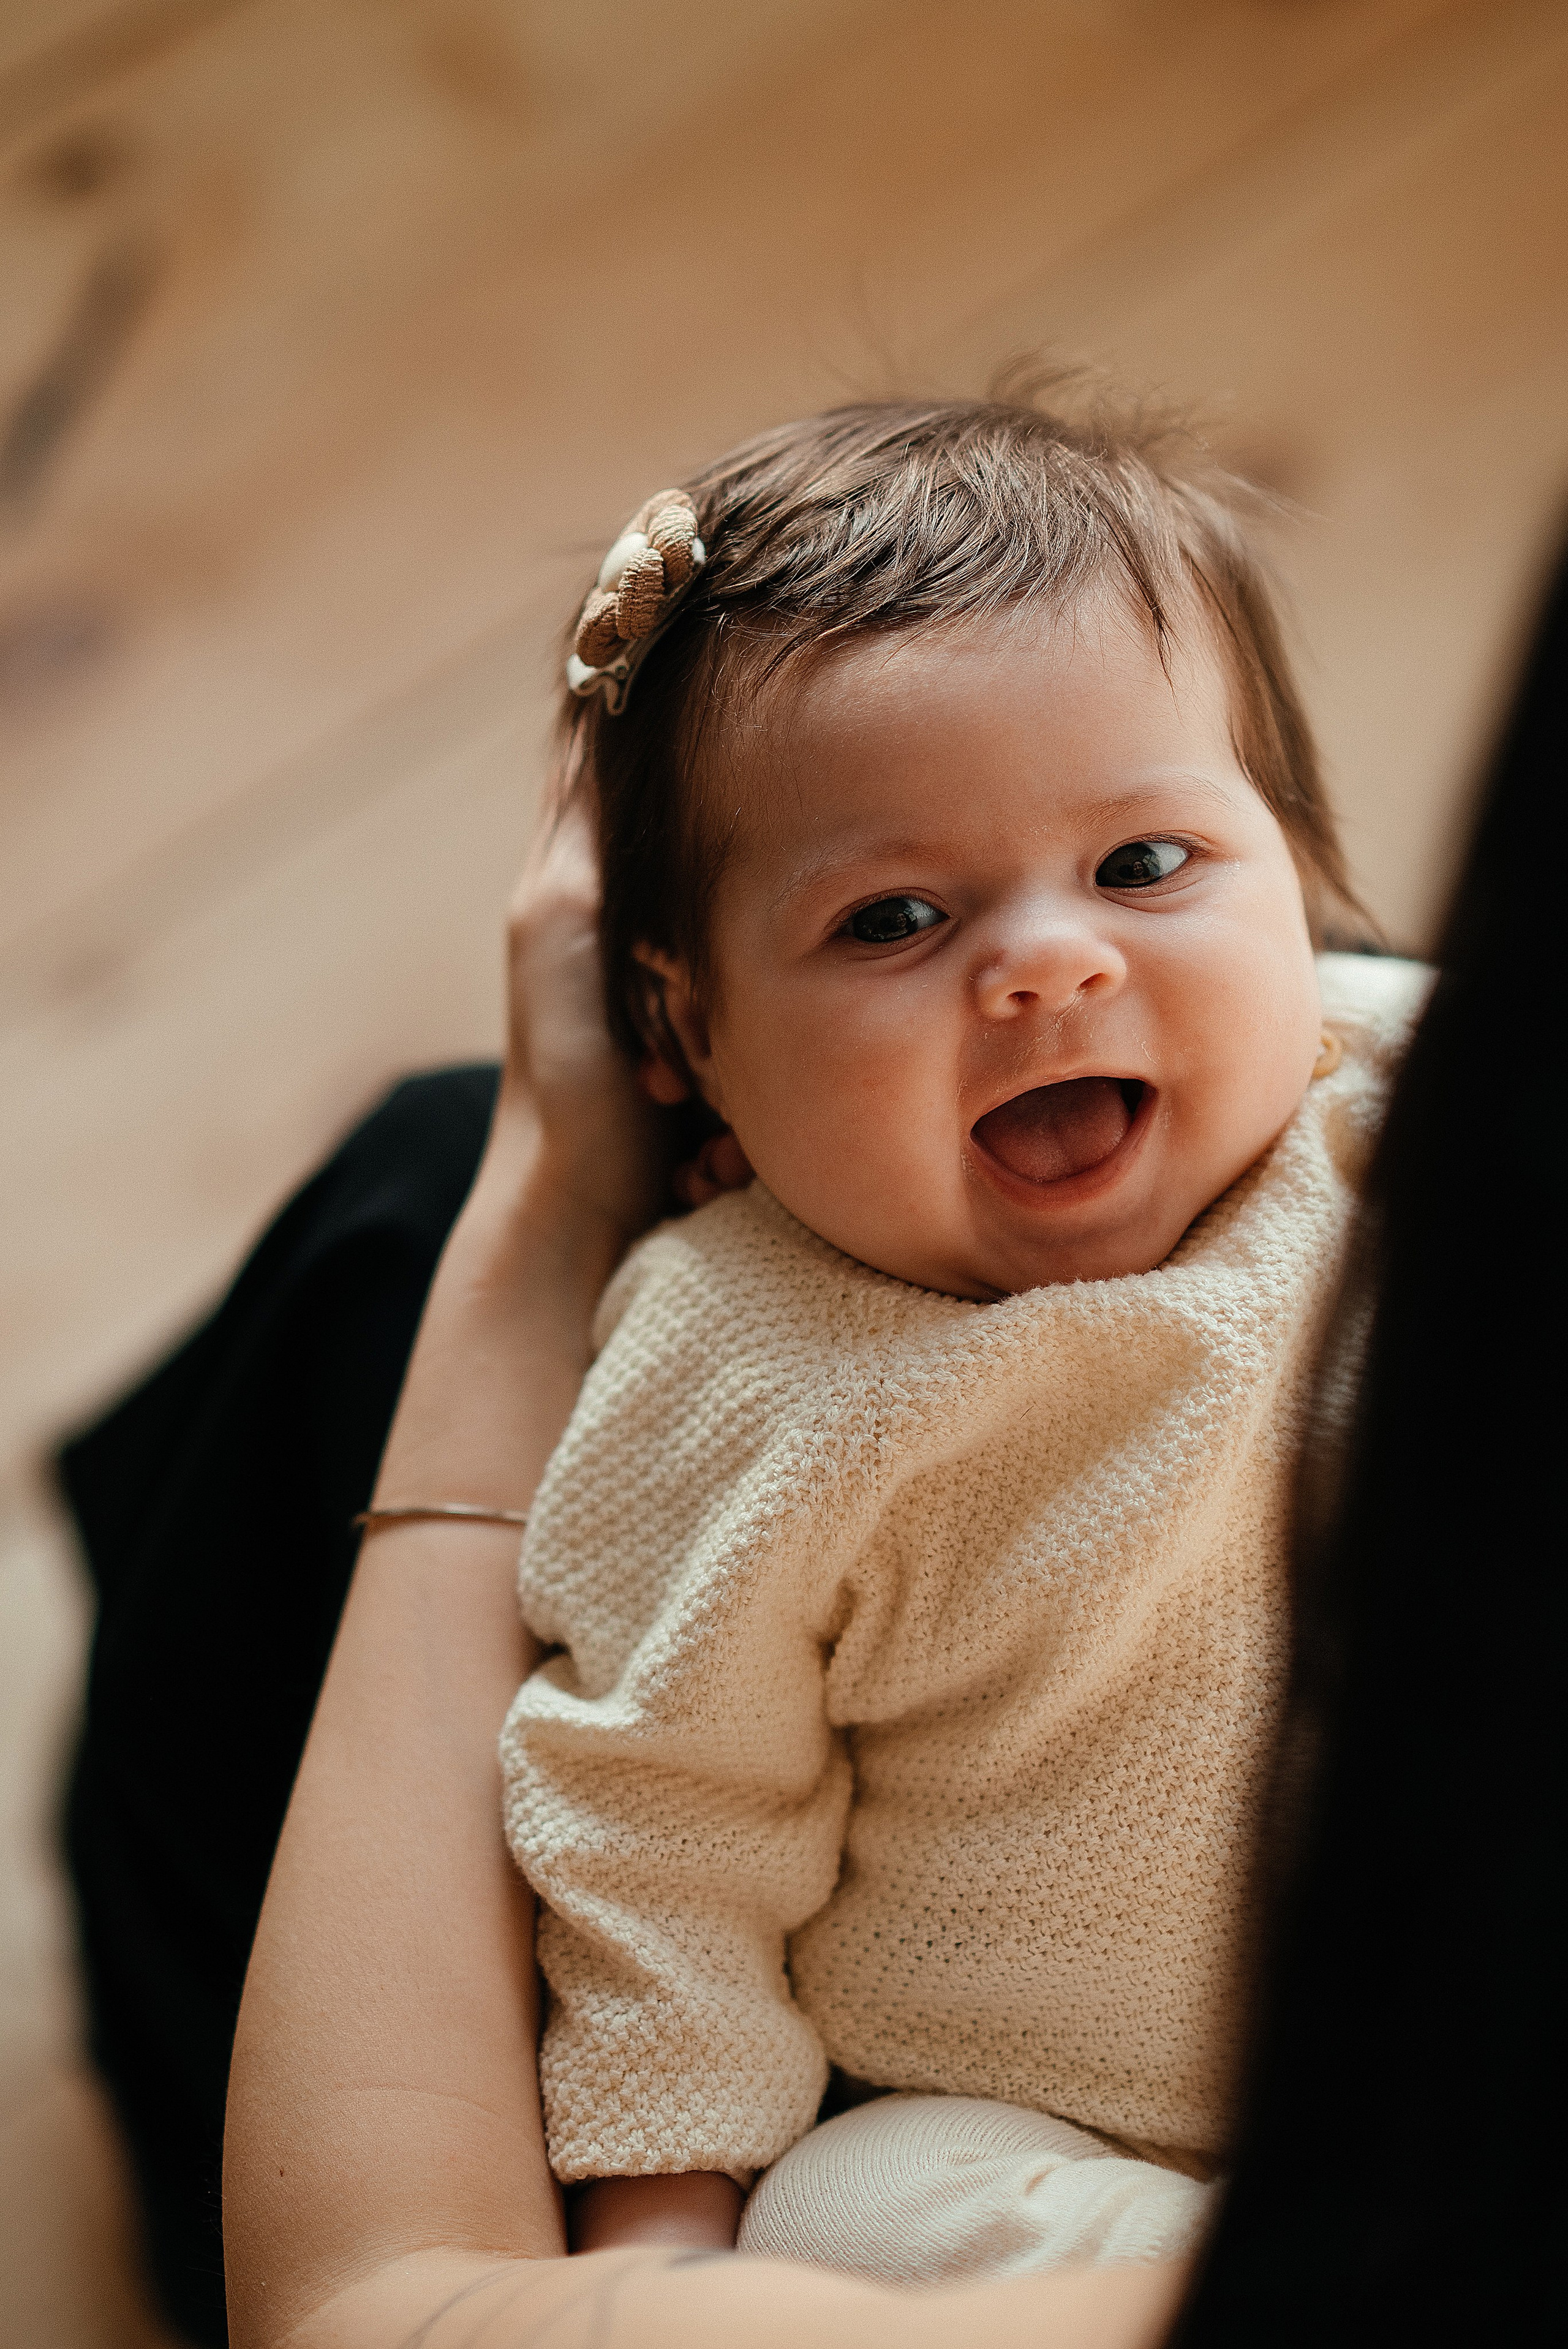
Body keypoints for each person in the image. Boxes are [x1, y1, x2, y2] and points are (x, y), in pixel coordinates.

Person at [473, 399, 1425, 2273]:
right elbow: (659, 1814)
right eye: (895, 916)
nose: (1051, 963)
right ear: (689, 1032)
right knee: (848, 2205)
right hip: (1054, 2119)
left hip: (1464, 1981)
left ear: (1296, 870)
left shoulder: (1388, 1100)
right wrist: (653, 2250)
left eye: (1149, 865)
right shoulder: (739, 1357)